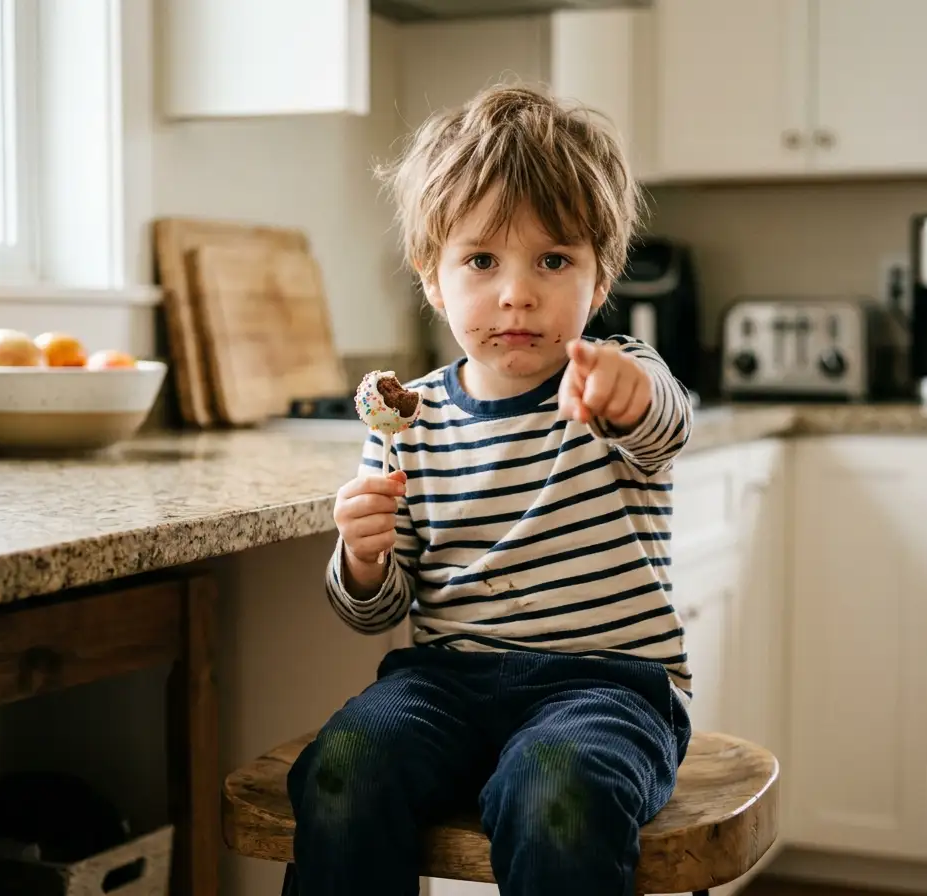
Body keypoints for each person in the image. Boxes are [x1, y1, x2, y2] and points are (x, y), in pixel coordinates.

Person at [286, 81, 694, 896]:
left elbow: (667, 423)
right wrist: (361, 559)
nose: (517, 292)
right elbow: (378, 608)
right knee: (342, 768)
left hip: (605, 686)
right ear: (432, 279)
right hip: (446, 682)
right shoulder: (410, 419)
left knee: (557, 796)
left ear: (601, 277)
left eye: (554, 260)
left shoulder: (617, 376)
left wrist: (625, 393)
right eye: (481, 259)